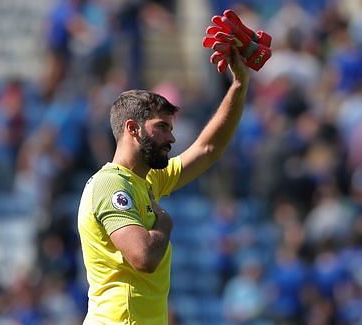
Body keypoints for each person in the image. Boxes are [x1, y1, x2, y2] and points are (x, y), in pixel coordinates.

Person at [77, 46, 249, 323]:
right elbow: (143, 257)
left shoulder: (147, 180)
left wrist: (239, 85)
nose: (172, 138)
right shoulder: (111, 185)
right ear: (132, 128)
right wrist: (164, 224)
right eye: (162, 128)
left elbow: (208, 149)